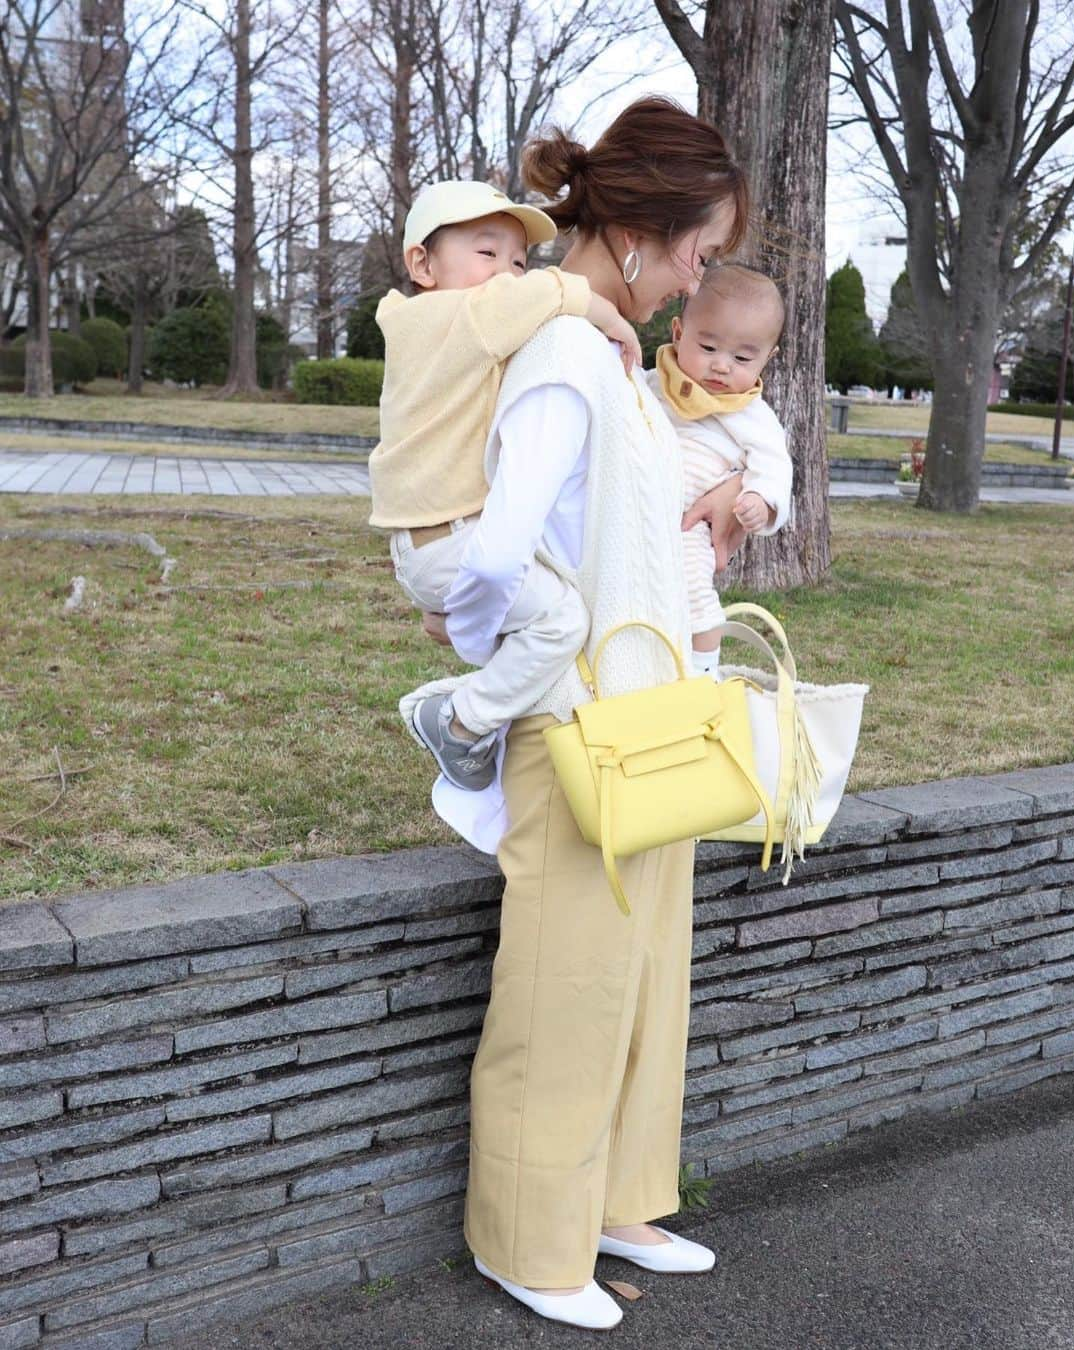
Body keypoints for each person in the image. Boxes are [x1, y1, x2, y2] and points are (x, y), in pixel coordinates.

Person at [413, 96, 751, 1330]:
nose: (700, 282)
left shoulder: (601, 346)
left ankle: (613, 1202)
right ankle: (528, 1238)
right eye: (700, 252)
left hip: (651, 714)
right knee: (567, 987)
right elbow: (500, 543)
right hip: (577, 720)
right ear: (647, 228)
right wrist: (480, 628)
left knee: (644, 979)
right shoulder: (563, 350)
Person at [368, 179, 641, 791]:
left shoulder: (422, 324)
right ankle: (460, 720)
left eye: (519, 260)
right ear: (423, 264)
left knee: (535, 615)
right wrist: (615, 321)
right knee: (563, 622)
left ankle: (469, 693)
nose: (509, 275)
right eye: (487, 254)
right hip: (450, 540)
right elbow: (552, 292)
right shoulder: (460, 315)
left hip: (430, 540)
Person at [646, 264, 793, 675]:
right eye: (708, 348)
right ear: (678, 334)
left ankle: (704, 672)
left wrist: (759, 502)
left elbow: (774, 467)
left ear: (768, 357)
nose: (722, 366)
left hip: (690, 524)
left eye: (743, 357)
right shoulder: (651, 384)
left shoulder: (752, 415)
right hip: (637, 507)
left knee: (695, 593)